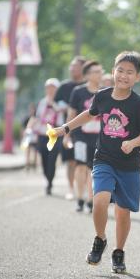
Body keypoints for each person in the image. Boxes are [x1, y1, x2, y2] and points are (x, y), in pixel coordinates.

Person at [52, 51, 140, 273]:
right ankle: (100, 238)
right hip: (103, 159)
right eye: (120, 70)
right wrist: (65, 128)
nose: (124, 76)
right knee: (99, 201)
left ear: (137, 77)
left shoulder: (138, 104)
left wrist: (133, 142)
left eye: (129, 72)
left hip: (129, 164)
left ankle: (119, 252)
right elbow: (89, 114)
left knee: (123, 212)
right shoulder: (103, 96)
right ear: (113, 71)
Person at [69, 60, 102, 213]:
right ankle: (80, 198)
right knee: (81, 166)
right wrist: (66, 135)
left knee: (93, 169)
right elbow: (72, 113)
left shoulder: (105, 92)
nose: (99, 74)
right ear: (87, 74)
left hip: (99, 138)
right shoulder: (78, 92)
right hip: (80, 135)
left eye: (100, 71)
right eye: (96, 71)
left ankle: (90, 200)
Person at [54, 56, 87, 200]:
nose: (72, 68)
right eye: (71, 66)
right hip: (67, 128)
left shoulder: (88, 86)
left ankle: (84, 188)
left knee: (86, 161)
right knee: (70, 160)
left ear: (83, 68)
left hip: (86, 129)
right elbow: (54, 104)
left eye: (76, 66)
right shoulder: (64, 86)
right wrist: (65, 108)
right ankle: (70, 188)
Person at [35, 78, 63, 195]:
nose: (50, 90)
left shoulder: (61, 102)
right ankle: (48, 178)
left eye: (53, 88)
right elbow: (38, 118)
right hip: (43, 134)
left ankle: (50, 182)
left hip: (55, 135)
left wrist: (52, 103)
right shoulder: (42, 102)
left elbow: (60, 113)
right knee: (44, 159)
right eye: (48, 87)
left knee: (52, 160)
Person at [21, 102, 38, 170]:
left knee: (35, 151)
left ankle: (34, 164)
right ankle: (27, 164)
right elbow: (23, 128)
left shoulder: (37, 118)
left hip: (35, 136)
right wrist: (23, 136)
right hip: (28, 137)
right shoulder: (26, 118)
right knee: (28, 150)